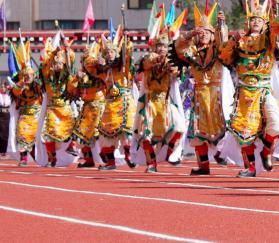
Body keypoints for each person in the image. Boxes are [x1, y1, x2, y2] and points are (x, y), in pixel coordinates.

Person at [220, 0, 279, 178]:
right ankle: (250, 167)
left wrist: (277, 9)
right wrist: (233, 39)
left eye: (259, 20)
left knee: (277, 122)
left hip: (264, 89)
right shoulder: (239, 40)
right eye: (253, 20)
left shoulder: (268, 39)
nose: (256, 22)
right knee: (244, 130)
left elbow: (278, 31)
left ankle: (266, 151)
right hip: (244, 91)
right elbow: (224, 57)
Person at [172, 4, 232, 176]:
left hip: (217, 94)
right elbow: (178, 48)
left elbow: (224, 43)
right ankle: (203, 166)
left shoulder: (217, 50)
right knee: (198, 132)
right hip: (199, 96)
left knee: (223, 128)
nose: (203, 34)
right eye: (201, 32)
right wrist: (190, 34)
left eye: (207, 32)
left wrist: (221, 25)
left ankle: (223, 154)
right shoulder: (192, 51)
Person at [84, 30, 136, 171]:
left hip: (124, 103)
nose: (109, 55)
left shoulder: (123, 68)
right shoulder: (103, 71)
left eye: (112, 52)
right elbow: (88, 64)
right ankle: (110, 162)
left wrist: (127, 42)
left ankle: (129, 156)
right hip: (110, 105)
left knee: (126, 131)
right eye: (107, 53)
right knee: (105, 134)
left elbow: (128, 55)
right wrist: (97, 61)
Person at [134, 32, 186, 172]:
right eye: (159, 46)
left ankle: (169, 152)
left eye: (164, 46)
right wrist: (157, 59)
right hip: (150, 102)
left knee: (180, 128)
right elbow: (145, 63)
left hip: (166, 102)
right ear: (155, 47)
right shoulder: (147, 59)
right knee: (145, 134)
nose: (161, 49)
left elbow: (177, 72)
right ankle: (152, 163)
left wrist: (174, 69)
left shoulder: (170, 61)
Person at [38, 38, 78, 167]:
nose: (57, 66)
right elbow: (44, 64)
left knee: (75, 129)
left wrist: (67, 49)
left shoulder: (67, 77)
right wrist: (52, 52)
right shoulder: (47, 76)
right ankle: (52, 158)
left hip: (65, 109)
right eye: (55, 64)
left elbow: (70, 59)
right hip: (52, 110)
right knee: (48, 134)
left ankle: (72, 146)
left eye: (60, 64)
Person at [9, 41, 43, 166]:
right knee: (22, 134)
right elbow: (15, 92)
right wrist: (22, 82)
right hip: (24, 115)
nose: (28, 77)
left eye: (30, 75)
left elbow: (41, 88)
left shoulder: (37, 86)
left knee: (35, 137)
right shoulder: (20, 86)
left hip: (37, 115)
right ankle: (23, 159)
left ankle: (37, 157)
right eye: (26, 76)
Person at [0, 80, 12, 157]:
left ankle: (4, 150)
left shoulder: (9, 96)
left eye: (4, 87)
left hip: (7, 115)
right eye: (1, 87)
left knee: (5, 133)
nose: (3, 88)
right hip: (0, 114)